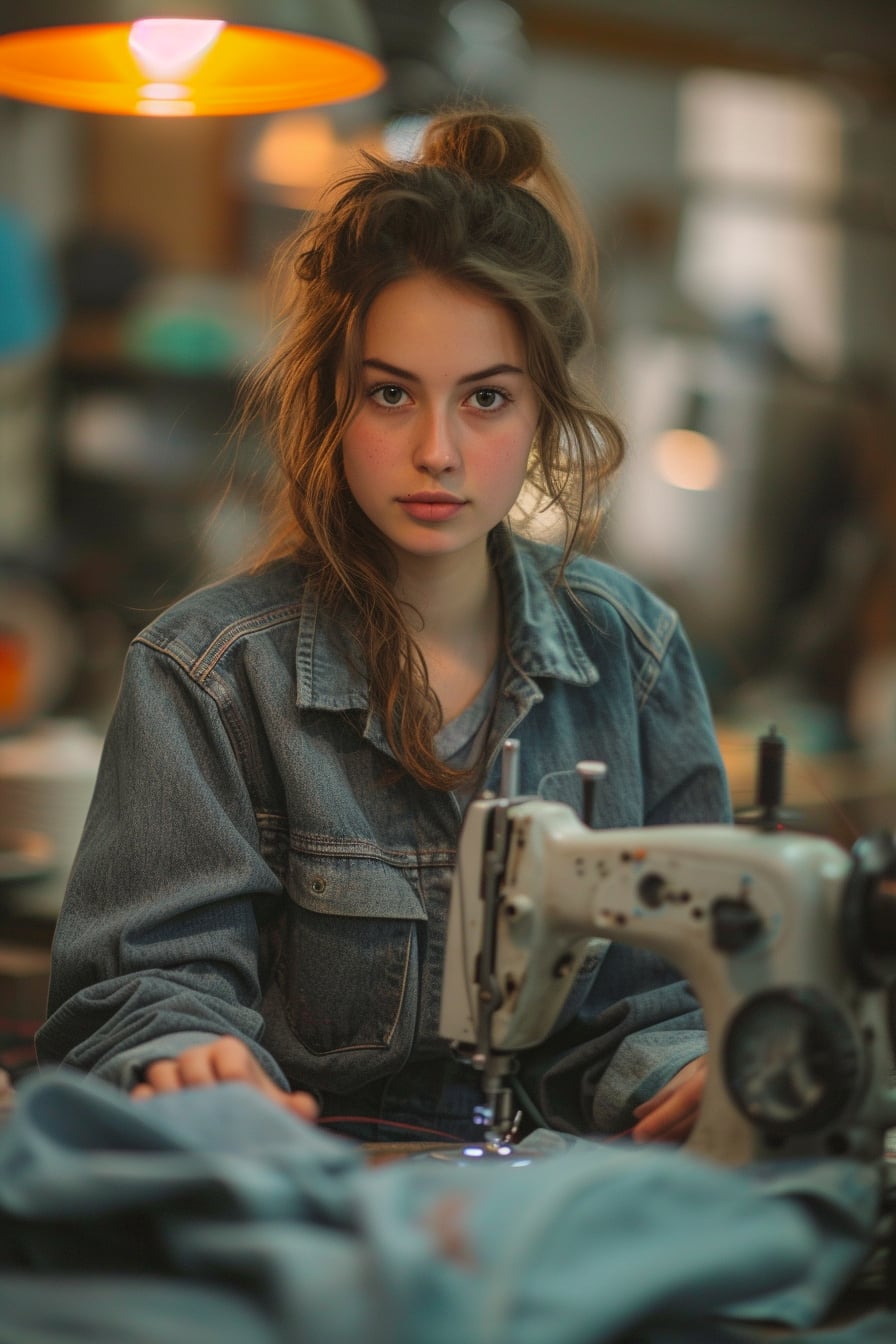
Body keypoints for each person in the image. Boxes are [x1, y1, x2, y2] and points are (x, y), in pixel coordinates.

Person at [36, 108, 731, 1146]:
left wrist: (693, 1076)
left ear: (543, 408)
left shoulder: (631, 659)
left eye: (486, 399)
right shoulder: (211, 676)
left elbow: (662, 998)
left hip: (562, 1213)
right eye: (392, 395)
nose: (437, 451)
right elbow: (145, 991)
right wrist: (184, 1056)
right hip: (307, 1198)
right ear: (331, 403)